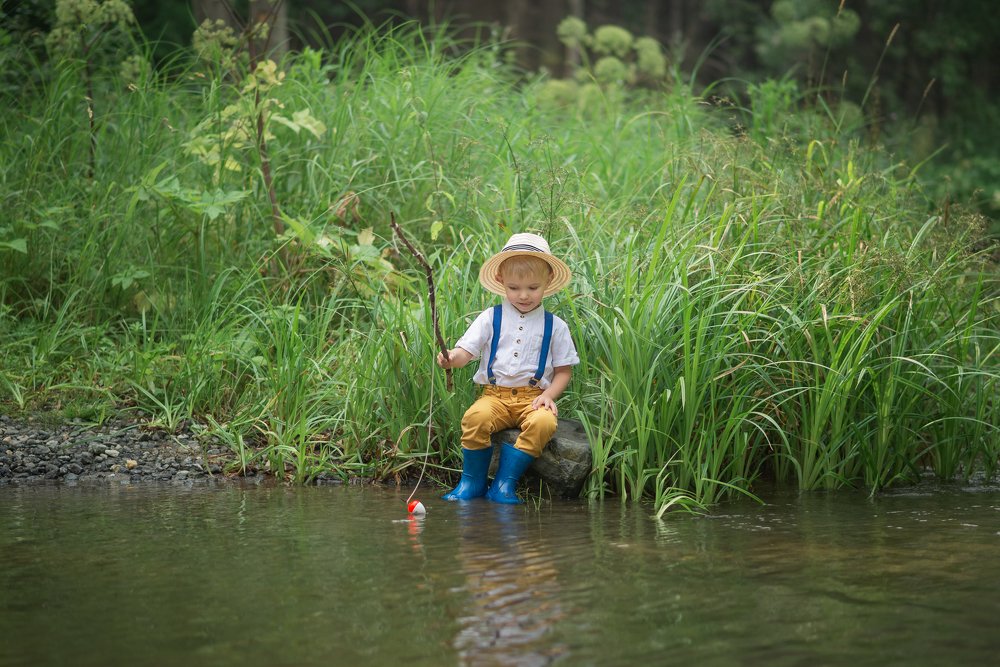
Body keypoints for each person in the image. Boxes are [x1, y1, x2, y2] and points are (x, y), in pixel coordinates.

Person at [437, 232, 579, 504]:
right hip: (494, 396)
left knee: (544, 422)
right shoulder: (491, 317)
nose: (523, 295)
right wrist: (450, 358)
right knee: (475, 418)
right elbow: (465, 353)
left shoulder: (555, 326)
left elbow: (563, 371)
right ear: (501, 281)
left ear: (548, 282)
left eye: (532, 288)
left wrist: (548, 396)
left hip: (533, 398)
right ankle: (472, 482)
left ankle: (504, 484)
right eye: (514, 288)